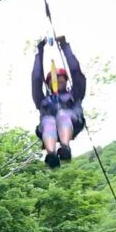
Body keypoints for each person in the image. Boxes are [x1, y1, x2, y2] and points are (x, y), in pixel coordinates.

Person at [32, 35, 87, 168]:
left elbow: (75, 70)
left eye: (61, 78)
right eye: (54, 79)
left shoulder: (74, 94)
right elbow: (36, 78)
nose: (58, 80)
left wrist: (64, 46)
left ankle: (65, 148)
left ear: (66, 80)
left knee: (62, 115)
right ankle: (51, 154)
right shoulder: (42, 100)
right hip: (49, 128)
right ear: (49, 83)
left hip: (72, 121)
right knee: (48, 120)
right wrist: (40, 50)